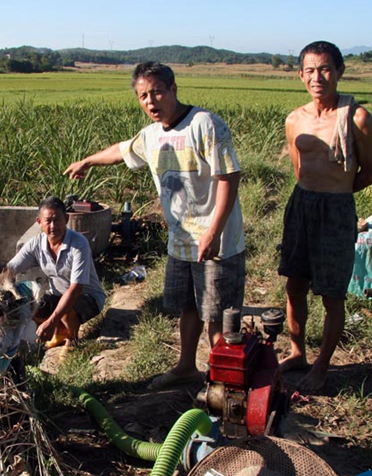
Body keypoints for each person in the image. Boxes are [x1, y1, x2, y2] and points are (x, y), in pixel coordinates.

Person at [64, 62, 245, 389]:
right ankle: (187, 367)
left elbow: (229, 178)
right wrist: (88, 161)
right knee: (188, 308)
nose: (151, 101)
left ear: (174, 88)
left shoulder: (204, 124)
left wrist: (214, 231)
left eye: (157, 91)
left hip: (216, 240)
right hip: (181, 241)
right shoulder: (151, 136)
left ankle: (222, 381)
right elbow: (122, 151)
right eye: (143, 96)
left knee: (216, 313)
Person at [279, 40, 372, 391]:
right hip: (301, 205)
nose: (317, 77)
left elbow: (369, 173)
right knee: (294, 284)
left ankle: (321, 366)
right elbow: (298, 168)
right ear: (300, 75)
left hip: (336, 208)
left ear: (339, 72)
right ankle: (296, 352)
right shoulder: (296, 119)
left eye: (324, 69)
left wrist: (335, 197)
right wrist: (313, 196)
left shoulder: (357, 117)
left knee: (332, 293)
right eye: (309, 70)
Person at [5, 196, 106, 351]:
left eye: (57, 220)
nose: (53, 226)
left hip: (87, 297)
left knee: (67, 309)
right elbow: (10, 269)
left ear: (66, 219)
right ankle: (60, 331)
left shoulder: (79, 244)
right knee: (28, 306)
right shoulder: (36, 244)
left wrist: (50, 322)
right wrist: (2, 290)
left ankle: (71, 340)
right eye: (48, 221)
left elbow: (76, 288)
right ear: (39, 222)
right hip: (57, 296)